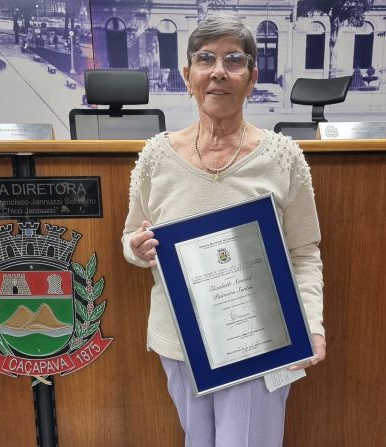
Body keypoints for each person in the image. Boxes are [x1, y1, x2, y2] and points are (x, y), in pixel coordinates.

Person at [122, 13, 325, 447]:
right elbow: (130, 237)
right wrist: (137, 248)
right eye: (205, 58)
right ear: (187, 75)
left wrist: (313, 324)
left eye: (234, 60)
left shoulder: (282, 156)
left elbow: (304, 251)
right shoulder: (157, 156)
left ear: (251, 78)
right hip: (182, 339)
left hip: (265, 339)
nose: (219, 71)